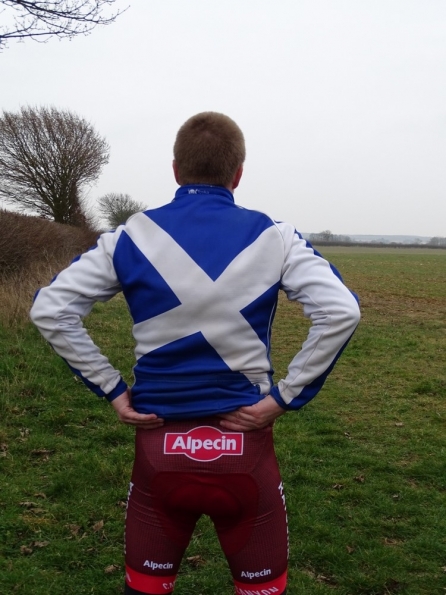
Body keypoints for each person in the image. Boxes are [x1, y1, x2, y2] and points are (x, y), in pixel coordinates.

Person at [30, 112, 360, 595]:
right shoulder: (276, 236)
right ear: (238, 174)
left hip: (158, 448)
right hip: (244, 449)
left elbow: (51, 309)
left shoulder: (130, 235)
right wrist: (284, 398)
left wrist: (113, 389)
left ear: (176, 170)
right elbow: (341, 312)